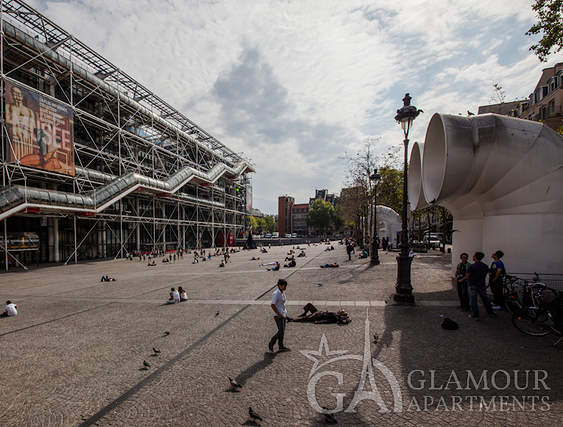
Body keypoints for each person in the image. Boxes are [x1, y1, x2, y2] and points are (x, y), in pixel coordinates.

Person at [462, 252, 497, 319]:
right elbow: (489, 272)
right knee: (485, 299)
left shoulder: (471, 266)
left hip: (472, 285)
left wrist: (461, 280)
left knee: (473, 300)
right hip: (481, 285)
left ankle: (475, 315)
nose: (473, 256)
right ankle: (490, 312)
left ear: (475, 257)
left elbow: (467, 276)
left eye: (474, 255)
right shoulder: (485, 266)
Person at [269, 279, 290, 352]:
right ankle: (271, 342)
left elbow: (282, 304)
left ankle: (281, 346)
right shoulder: (276, 293)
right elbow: (272, 305)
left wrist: (285, 314)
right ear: (280, 285)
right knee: (280, 331)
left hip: (283, 314)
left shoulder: (282, 292)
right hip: (278, 315)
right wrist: (279, 314)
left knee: (282, 331)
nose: (285, 287)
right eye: (284, 286)